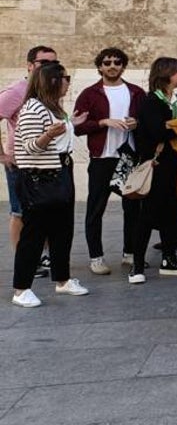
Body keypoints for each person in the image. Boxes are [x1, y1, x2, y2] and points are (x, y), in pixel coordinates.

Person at [11, 62, 90, 307]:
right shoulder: (33, 108)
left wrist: (70, 125)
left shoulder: (53, 107)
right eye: (65, 78)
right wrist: (49, 135)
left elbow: (60, 139)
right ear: (52, 81)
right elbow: (30, 146)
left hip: (59, 172)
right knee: (34, 234)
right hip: (39, 177)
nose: (68, 82)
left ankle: (63, 280)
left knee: (62, 231)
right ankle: (21, 289)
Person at [73, 48, 145, 276]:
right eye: (107, 63)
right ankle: (96, 257)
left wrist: (137, 123)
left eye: (117, 62)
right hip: (102, 158)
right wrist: (103, 122)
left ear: (123, 66)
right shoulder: (89, 94)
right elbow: (77, 127)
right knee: (95, 209)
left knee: (133, 207)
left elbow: (147, 120)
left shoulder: (135, 92)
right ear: (100, 67)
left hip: (128, 157)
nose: (112, 66)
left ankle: (130, 252)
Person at [129, 57, 177, 283]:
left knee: (173, 213)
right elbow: (157, 131)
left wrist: (173, 125)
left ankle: (169, 258)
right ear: (167, 74)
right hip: (156, 164)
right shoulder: (151, 102)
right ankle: (137, 265)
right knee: (147, 215)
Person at [1, 45, 57, 262]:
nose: (49, 67)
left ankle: (41, 255)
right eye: (44, 63)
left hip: (45, 162)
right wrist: (3, 156)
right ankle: (21, 259)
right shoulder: (17, 91)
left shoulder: (49, 90)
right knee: (20, 213)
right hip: (20, 163)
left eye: (53, 63)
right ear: (30, 65)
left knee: (43, 211)